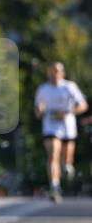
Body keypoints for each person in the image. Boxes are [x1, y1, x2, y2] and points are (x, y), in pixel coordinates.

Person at [34, 61, 88, 202]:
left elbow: (83, 105)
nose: (55, 73)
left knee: (66, 160)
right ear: (49, 72)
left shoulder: (69, 87)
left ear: (62, 73)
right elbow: (38, 113)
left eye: (57, 71)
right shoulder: (43, 89)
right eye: (52, 70)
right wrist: (40, 110)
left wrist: (68, 112)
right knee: (53, 155)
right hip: (50, 127)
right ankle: (54, 186)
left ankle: (67, 166)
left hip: (68, 128)